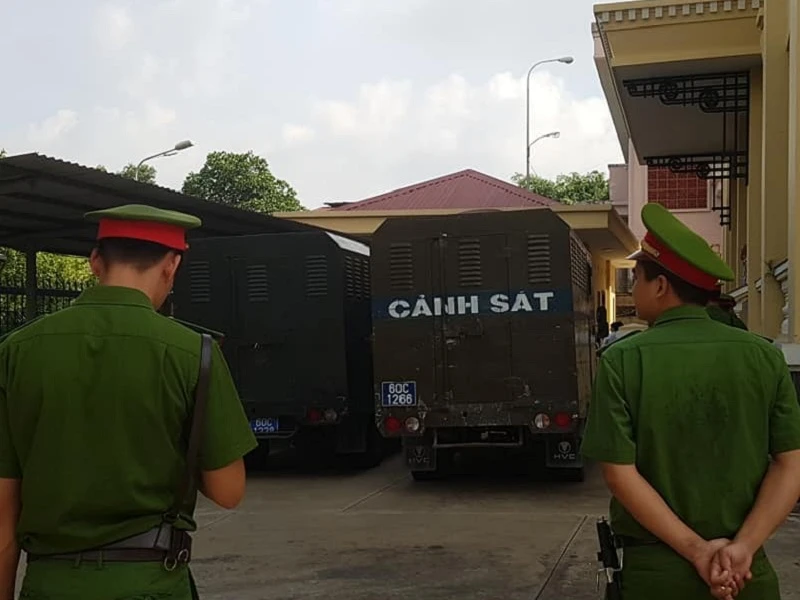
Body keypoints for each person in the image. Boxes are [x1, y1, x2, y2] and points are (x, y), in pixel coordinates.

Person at [0, 204, 258, 599]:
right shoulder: (193, 353)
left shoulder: (16, 351)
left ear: (95, 261)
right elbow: (228, 491)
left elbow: (3, 517)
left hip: (51, 585)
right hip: (151, 584)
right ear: (172, 265)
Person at [581, 202, 800, 600]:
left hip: (656, 577)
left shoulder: (623, 360)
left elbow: (619, 474)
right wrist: (743, 548)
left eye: (637, 278)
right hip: (747, 574)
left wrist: (698, 551)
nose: (634, 288)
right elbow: (790, 464)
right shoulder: (765, 357)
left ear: (661, 286)